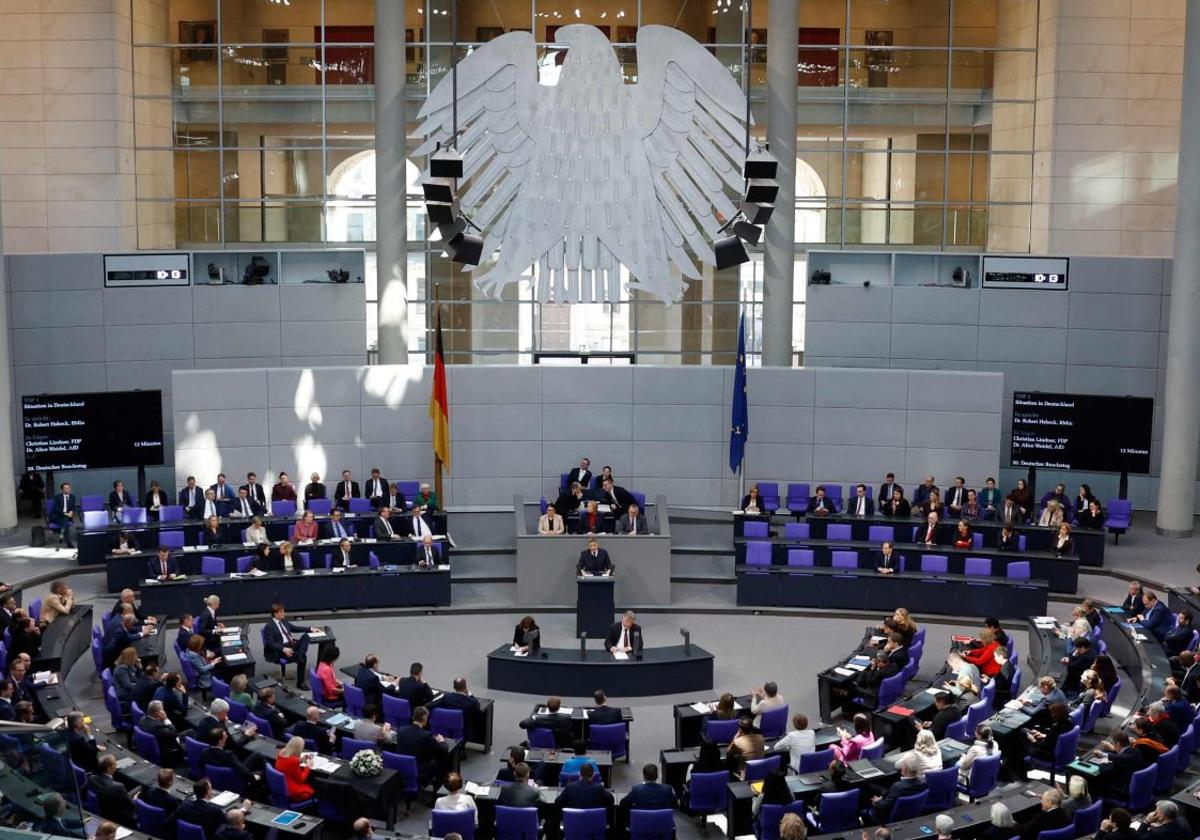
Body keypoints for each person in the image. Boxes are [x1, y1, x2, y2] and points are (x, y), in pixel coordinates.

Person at [392, 705, 450, 787]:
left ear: (413, 717)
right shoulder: (426, 735)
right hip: (420, 772)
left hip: (401, 769)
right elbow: (443, 750)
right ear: (424, 719)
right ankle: (437, 792)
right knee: (442, 761)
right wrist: (442, 741)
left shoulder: (401, 730)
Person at [262, 602, 315, 689]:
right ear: (275, 613)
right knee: (303, 658)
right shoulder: (269, 626)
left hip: (291, 645)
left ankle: (299, 656)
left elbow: (295, 628)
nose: (284, 613)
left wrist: (310, 629)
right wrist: (284, 649)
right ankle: (300, 682)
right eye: (281, 612)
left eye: (284, 611)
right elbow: (270, 643)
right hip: (280, 650)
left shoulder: (283, 621)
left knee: (306, 636)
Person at [869, 754, 926, 824]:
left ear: (904, 769)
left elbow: (884, 807)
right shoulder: (924, 782)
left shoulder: (898, 787)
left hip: (889, 817)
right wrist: (883, 797)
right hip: (911, 813)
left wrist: (877, 801)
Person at [87, 755, 136, 825]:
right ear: (109, 769)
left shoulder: (92, 778)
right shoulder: (118, 787)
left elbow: (82, 793)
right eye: (115, 764)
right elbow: (131, 806)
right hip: (116, 819)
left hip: (101, 813)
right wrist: (134, 799)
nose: (116, 766)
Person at [139, 700, 184, 765]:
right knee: (190, 738)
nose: (164, 711)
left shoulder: (142, 719)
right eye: (163, 710)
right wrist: (165, 719)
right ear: (158, 713)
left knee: (190, 732)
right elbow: (174, 733)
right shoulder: (157, 726)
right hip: (167, 750)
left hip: (158, 742)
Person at [50, 482, 78, 548]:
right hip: (57, 516)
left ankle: (62, 533)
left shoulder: (72, 497)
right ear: (62, 490)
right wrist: (66, 514)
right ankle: (69, 542)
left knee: (65, 519)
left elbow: (72, 507)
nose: (67, 489)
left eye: (68, 488)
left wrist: (71, 512)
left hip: (66, 517)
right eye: (65, 488)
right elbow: (55, 509)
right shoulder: (57, 497)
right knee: (66, 521)